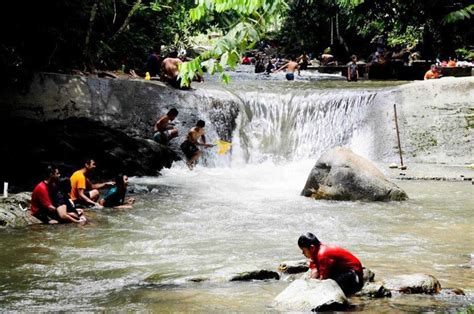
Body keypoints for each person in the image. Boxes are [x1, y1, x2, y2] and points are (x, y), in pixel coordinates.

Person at [298, 232, 363, 295]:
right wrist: (310, 283)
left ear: (312, 248)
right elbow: (315, 271)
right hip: (346, 271)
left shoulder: (322, 254)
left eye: (304, 250)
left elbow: (323, 278)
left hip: (354, 274)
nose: (303, 253)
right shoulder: (316, 252)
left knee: (328, 286)